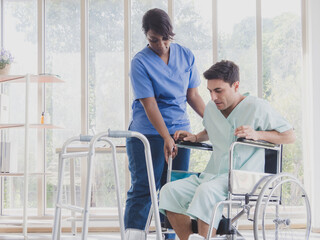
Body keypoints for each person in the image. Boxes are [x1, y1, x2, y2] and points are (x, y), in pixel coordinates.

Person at [159, 60, 295, 240]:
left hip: (242, 177)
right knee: (169, 191)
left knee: (207, 191)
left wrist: (257, 134)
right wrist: (196, 137)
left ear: (236, 85)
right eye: (209, 91)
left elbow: (289, 135)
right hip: (212, 175)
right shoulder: (211, 109)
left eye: (218, 91)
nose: (213, 97)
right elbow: (212, 130)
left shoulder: (257, 107)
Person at [125, 8, 206, 238]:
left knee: (174, 189)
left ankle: (169, 235)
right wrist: (165, 137)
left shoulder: (186, 55)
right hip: (148, 133)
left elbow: (193, 96)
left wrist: (216, 121)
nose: (160, 44)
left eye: (165, 39)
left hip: (180, 132)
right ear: (146, 35)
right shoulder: (140, 62)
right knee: (144, 188)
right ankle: (134, 236)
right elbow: (150, 105)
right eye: (153, 39)